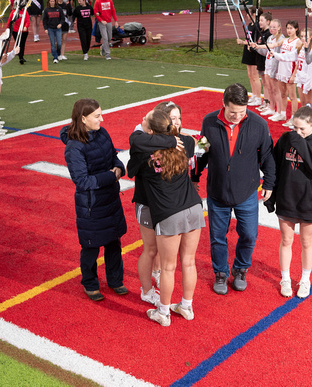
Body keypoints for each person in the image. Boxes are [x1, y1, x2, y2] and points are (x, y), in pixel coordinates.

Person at [193, 83, 276, 295]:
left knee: (249, 235)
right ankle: (221, 273)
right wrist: (195, 177)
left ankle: (240, 269)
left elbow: (267, 156)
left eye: (242, 112)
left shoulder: (259, 124)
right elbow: (202, 152)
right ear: (223, 104)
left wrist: (269, 183)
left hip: (246, 191)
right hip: (217, 191)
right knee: (217, 237)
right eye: (232, 112)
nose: (237, 116)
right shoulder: (209, 122)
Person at [128, 110, 204, 326]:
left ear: (151, 131)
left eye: (145, 120)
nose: (141, 120)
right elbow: (192, 140)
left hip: (169, 213)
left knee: (168, 267)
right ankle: (186, 307)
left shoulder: (143, 154)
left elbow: (130, 168)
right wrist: (172, 139)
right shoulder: (185, 144)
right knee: (189, 262)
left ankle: (163, 313)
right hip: (194, 207)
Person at [60, 99, 127, 301]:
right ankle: (90, 283)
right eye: (97, 116)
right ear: (83, 119)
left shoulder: (102, 133)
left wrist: (119, 168)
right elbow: (82, 180)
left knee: (114, 242)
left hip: (110, 199)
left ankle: (115, 280)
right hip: (92, 204)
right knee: (91, 246)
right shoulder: (74, 147)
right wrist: (112, 175)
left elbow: (114, 156)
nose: (102, 119)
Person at [267, 106, 312, 298]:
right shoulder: (287, 138)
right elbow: (275, 164)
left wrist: (300, 142)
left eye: (302, 129)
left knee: (306, 241)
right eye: (294, 128)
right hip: (287, 197)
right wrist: (272, 193)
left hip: (308, 200)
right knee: (286, 240)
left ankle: (305, 279)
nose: (297, 132)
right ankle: (285, 278)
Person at [274, 20, 303, 127]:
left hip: (290, 71)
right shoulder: (285, 40)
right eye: (287, 28)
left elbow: (299, 60)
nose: (289, 30)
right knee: (282, 94)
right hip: (281, 70)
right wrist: (258, 46)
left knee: (292, 96)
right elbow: (273, 44)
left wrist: (294, 74)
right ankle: (282, 114)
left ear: (296, 29)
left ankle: (293, 117)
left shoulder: (298, 42)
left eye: (291, 28)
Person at [236, 7, 263, 106]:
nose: (246, 15)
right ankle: (254, 95)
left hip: (253, 51)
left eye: (248, 13)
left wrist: (243, 42)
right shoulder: (250, 25)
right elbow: (248, 38)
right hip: (247, 50)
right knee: (250, 75)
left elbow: (255, 41)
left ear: (252, 14)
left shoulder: (257, 26)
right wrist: (244, 42)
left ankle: (259, 97)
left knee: (255, 76)